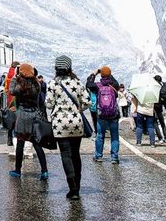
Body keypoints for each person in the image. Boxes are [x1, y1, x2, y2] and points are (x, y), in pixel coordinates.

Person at [45, 55, 91, 200]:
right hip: (76, 122)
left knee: (66, 154)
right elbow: (88, 102)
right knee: (76, 154)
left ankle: (73, 189)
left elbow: (48, 104)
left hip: (60, 124)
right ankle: (77, 186)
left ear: (56, 68)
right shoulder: (77, 82)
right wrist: (77, 109)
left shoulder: (53, 83)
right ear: (69, 67)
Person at [8, 63, 49, 180]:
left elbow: (11, 91)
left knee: (20, 144)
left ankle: (17, 170)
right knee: (37, 144)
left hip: (22, 116)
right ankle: (44, 170)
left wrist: (15, 78)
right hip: (34, 115)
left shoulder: (20, 85)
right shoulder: (37, 84)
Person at [86, 66, 121, 163]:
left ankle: (98, 156)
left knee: (100, 136)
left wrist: (94, 73)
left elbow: (88, 83)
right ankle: (114, 157)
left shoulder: (97, 86)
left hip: (101, 115)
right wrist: (109, 74)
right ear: (110, 75)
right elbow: (113, 80)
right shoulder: (114, 85)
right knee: (114, 136)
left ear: (101, 75)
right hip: (114, 114)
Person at [4, 61, 20, 146]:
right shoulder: (17, 77)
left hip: (10, 101)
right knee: (17, 121)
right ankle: (17, 141)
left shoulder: (8, 76)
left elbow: (6, 89)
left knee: (11, 121)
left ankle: (9, 140)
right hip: (16, 101)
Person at [153, 75, 166, 143]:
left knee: (155, 123)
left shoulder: (153, 87)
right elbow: (165, 100)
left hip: (154, 107)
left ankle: (160, 138)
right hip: (160, 106)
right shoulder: (162, 87)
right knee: (162, 123)